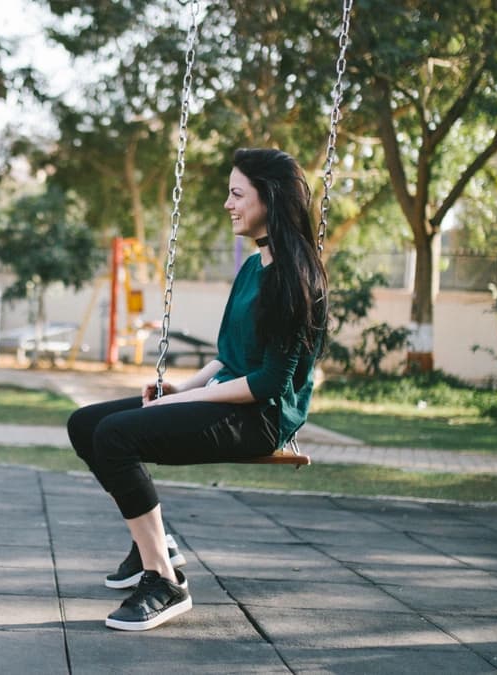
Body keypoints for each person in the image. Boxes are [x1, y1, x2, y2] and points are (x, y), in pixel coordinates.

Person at [66, 148, 328, 632]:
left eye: (237, 194)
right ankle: (155, 542)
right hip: (230, 394)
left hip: (262, 416)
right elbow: (229, 355)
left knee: (116, 437)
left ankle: (163, 580)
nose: (228, 204)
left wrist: (187, 399)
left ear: (268, 198)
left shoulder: (295, 278)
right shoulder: (254, 267)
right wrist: (180, 386)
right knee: (86, 424)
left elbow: (269, 382)